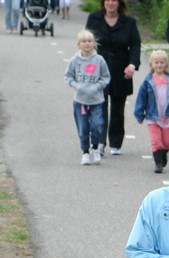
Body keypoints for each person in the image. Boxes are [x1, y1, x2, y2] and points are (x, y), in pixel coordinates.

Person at [85, 0, 141, 155]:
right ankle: (99, 142)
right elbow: (87, 42)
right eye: (108, 0)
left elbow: (135, 45)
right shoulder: (94, 18)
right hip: (99, 67)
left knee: (118, 108)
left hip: (121, 68)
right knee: (99, 107)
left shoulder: (129, 22)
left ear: (119, 3)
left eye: (114, 0)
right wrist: (86, 63)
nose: (110, 3)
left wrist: (132, 65)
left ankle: (116, 143)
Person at [133, 50, 169, 173]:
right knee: (155, 141)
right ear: (151, 64)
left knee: (166, 143)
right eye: (156, 62)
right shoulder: (148, 81)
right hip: (153, 116)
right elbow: (142, 98)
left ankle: (163, 154)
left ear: (166, 64)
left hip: (167, 116)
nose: (159, 65)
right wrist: (139, 114)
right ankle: (158, 163)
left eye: (162, 62)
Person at [65, 29, 111, 165]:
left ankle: (95, 147)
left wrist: (97, 86)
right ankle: (85, 152)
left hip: (96, 100)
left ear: (94, 44)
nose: (87, 44)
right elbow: (68, 76)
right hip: (80, 101)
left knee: (97, 125)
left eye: (90, 41)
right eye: (84, 41)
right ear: (79, 44)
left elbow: (106, 77)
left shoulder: (99, 60)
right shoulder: (74, 60)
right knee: (83, 128)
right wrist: (76, 85)